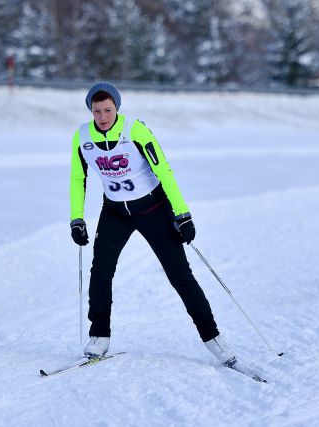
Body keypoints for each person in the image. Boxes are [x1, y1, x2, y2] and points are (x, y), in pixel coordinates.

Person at [69, 82, 235, 366]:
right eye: (96, 111)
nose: (102, 116)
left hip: (154, 208)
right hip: (114, 212)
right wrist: (77, 218)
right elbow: (78, 178)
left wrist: (183, 214)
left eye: (108, 109)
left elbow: (163, 170)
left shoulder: (135, 130)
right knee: (101, 272)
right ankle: (99, 336)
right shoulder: (82, 136)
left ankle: (213, 338)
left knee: (179, 275)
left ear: (116, 108)